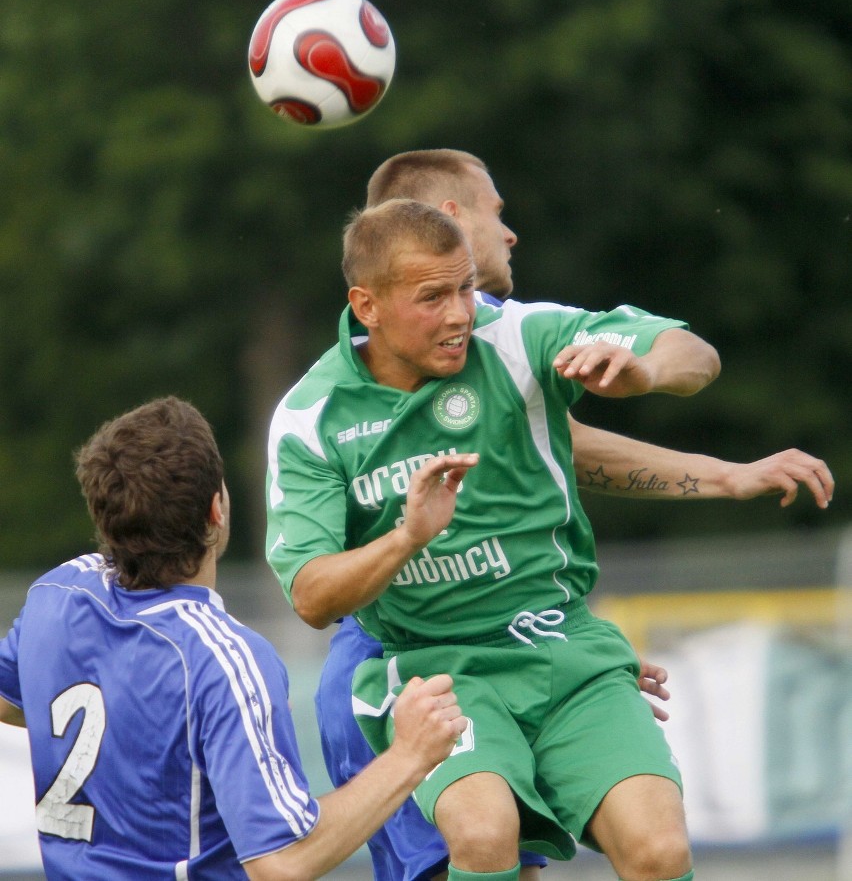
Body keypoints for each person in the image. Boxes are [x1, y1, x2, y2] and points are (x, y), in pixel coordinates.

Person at [312, 149, 834, 881]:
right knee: (480, 852)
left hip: (518, 650)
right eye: (498, 210)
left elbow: (581, 438)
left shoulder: (513, 341)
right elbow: (314, 582)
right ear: (451, 221)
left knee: (601, 853)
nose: (511, 232)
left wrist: (571, 656)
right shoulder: (335, 402)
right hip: (396, 667)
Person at [0, 396, 468, 880]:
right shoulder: (221, 659)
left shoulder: (58, 594)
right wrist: (410, 754)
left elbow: (15, 701)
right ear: (217, 509)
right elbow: (283, 862)